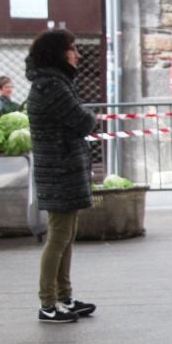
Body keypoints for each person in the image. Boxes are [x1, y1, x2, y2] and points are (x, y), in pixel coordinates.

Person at [25, 29, 98, 324]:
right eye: (72, 49)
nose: (77, 54)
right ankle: (47, 303)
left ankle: (64, 297)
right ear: (58, 53)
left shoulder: (55, 83)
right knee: (58, 236)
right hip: (59, 171)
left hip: (64, 169)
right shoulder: (51, 86)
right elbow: (82, 122)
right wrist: (90, 116)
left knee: (66, 235)